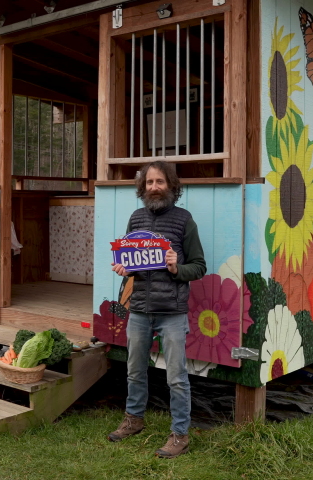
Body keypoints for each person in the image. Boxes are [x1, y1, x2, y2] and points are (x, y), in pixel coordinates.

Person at [106, 161, 207, 458]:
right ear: (143, 187)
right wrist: (124, 269)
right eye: (149, 182)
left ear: (171, 186)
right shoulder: (136, 219)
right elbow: (132, 262)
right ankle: (133, 420)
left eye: (160, 181)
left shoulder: (184, 220)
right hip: (138, 309)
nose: (154, 187)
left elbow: (199, 267)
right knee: (134, 371)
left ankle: (180, 435)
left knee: (176, 376)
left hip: (172, 311)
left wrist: (177, 268)